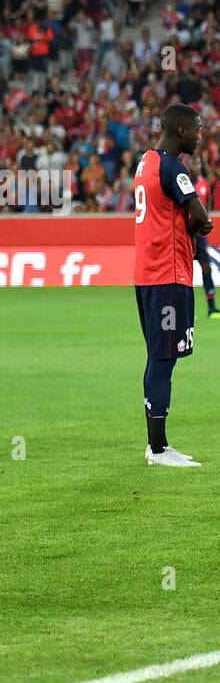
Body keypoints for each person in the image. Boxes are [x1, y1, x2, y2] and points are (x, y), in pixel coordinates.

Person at [132, 104, 212, 467]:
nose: (199, 135)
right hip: (169, 276)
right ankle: (160, 449)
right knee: (164, 358)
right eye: (196, 129)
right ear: (181, 131)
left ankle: (156, 444)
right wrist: (195, 233)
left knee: (158, 355)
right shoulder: (172, 167)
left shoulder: (145, 162)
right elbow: (201, 216)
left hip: (147, 275)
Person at [192, 161, 218, 318]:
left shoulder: (204, 184)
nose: (197, 166)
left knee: (206, 268)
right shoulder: (182, 182)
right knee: (184, 273)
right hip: (186, 235)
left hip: (200, 237)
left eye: (198, 165)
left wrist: (205, 221)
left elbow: (207, 205)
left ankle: (212, 307)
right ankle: (184, 307)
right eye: (194, 164)